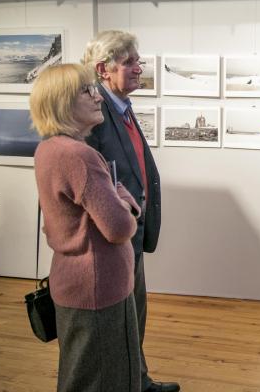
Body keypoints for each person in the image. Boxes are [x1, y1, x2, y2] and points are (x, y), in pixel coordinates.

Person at [31, 64, 142, 391]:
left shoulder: (48, 149)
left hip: (74, 281)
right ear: (61, 102)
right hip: (97, 286)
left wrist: (113, 193)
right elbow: (119, 228)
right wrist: (125, 199)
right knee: (105, 378)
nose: (97, 97)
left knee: (81, 372)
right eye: (86, 91)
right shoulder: (80, 155)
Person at [82, 30, 178, 392]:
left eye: (138, 60)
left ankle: (138, 380)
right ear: (104, 69)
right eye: (130, 62)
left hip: (130, 234)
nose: (139, 68)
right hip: (112, 238)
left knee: (134, 316)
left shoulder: (120, 108)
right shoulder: (95, 113)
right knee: (119, 322)